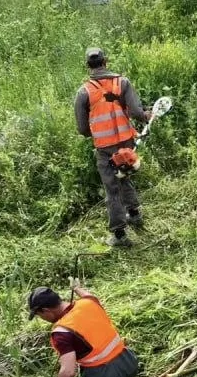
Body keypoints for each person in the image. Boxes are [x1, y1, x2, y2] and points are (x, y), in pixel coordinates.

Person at [29, 281, 139, 377]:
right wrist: (76, 288)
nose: (43, 319)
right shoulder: (87, 303)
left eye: (39, 315)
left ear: (45, 310)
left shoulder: (62, 333)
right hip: (128, 362)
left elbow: (68, 373)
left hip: (105, 376)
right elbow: (89, 295)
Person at [74, 47, 151, 248]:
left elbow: (82, 129)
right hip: (126, 142)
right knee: (124, 176)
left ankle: (119, 234)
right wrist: (145, 116)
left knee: (112, 188)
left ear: (87, 67)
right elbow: (135, 112)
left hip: (105, 148)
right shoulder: (122, 82)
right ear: (105, 61)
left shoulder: (84, 92)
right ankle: (134, 214)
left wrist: (97, 133)